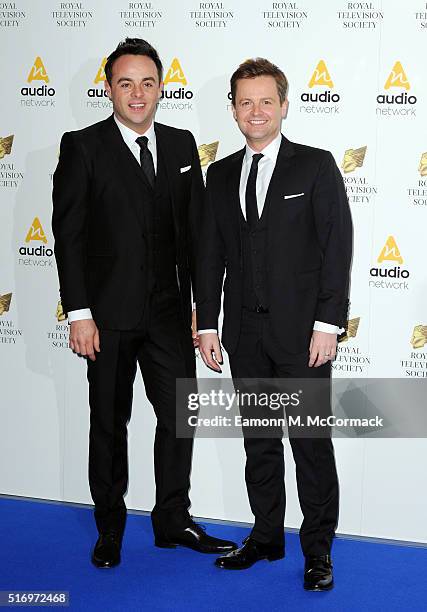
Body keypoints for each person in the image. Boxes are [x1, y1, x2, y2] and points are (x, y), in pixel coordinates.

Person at [52, 38, 236, 569]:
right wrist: (80, 313)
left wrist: (205, 316)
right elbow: (69, 237)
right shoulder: (82, 146)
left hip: (170, 315)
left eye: (148, 83)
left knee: (179, 417)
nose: (137, 94)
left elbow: (201, 238)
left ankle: (172, 520)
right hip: (106, 318)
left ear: (161, 88)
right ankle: (109, 528)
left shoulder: (181, 146)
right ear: (109, 88)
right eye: (125, 83)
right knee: (108, 423)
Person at [197, 58, 352, 590]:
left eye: (267, 101)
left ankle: (318, 551)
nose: (256, 111)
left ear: (285, 106)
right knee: (259, 444)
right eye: (245, 102)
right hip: (245, 337)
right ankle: (266, 537)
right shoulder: (218, 174)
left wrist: (328, 323)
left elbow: (337, 251)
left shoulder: (315, 166)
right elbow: (210, 256)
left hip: (302, 339)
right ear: (234, 110)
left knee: (310, 444)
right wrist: (209, 325)